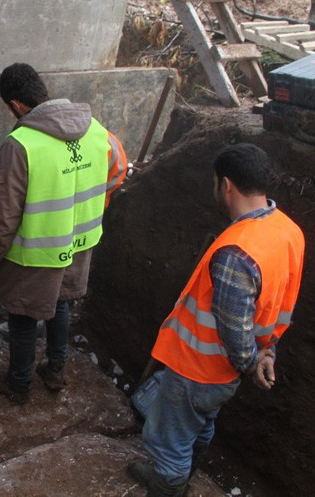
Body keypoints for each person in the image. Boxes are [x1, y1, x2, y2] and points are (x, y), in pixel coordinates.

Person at [128, 143, 305, 496]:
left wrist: (251, 362)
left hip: (199, 369)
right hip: (223, 376)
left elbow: (233, 328)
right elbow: (278, 304)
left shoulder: (236, 253)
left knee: (169, 439)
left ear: (226, 185)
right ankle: (182, 473)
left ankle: (169, 482)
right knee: (202, 423)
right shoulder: (287, 230)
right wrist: (267, 353)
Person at [0, 62, 127, 404]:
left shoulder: (20, 143)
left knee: (24, 316)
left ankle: (19, 383)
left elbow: (5, 218)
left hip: (36, 252)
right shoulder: (95, 129)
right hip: (79, 242)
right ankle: (55, 370)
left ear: (14, 105)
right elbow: (118, 169)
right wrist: (89, 208)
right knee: (61, 302)